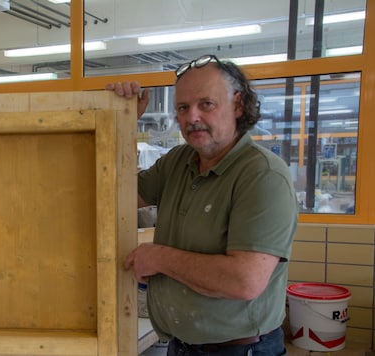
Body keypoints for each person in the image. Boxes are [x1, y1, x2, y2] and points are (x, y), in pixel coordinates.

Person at [108, 55, 298, 355]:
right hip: (181, 345)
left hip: (239, 350)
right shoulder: (178, 161)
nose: (191, 117)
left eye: (206, 104)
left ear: (238, 105)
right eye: (183, 107)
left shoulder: (263, 175)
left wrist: (159, 258)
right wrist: (119, 122)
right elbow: (114, 195)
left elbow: (244, 281)